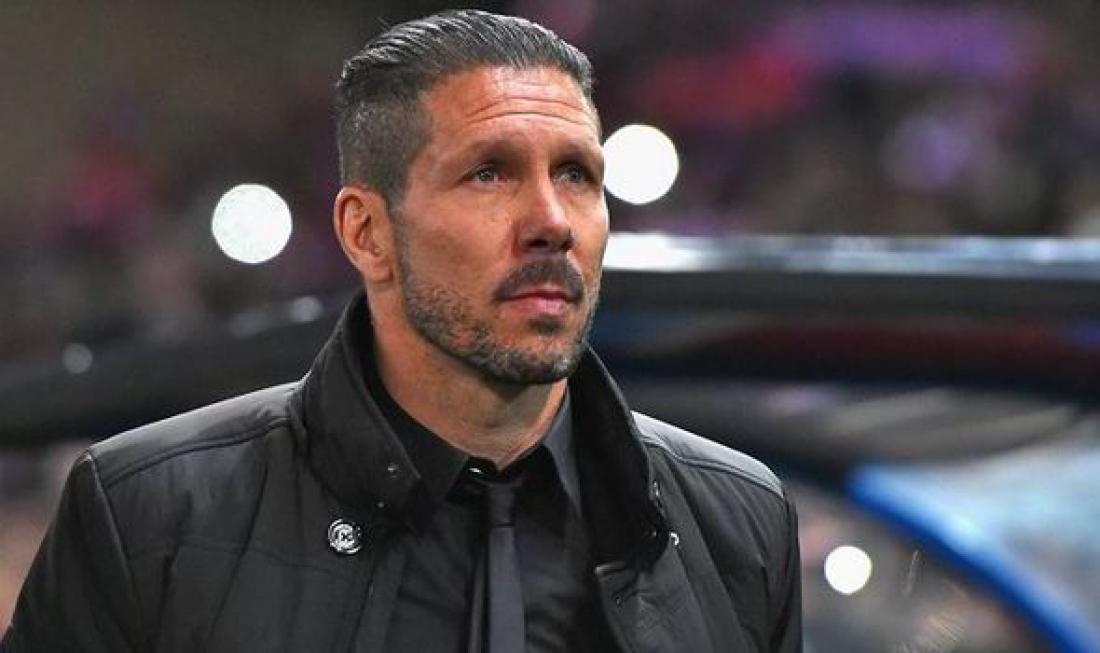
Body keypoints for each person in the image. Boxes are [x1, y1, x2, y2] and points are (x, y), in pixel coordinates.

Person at [2, 10, 800, 652]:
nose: (552, 221)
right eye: (488, 173)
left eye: (576, 174)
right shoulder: (149, 518)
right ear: (367, 233)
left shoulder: (741, 523)